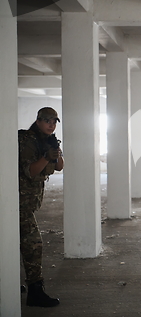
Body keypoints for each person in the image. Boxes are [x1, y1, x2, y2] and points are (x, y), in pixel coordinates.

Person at [18, 107, 64, 307]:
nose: (51, 124)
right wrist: (46, 156)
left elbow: (60, 166)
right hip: (18, 202)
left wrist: (55, 151)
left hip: (27, 203)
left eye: (54, 121)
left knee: (12, 242)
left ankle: (9, 282)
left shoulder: (47, 140)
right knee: (34, 245)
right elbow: (29, 171)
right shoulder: (28, 141)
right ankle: (35, 291)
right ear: (38, 121)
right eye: (47, 121)